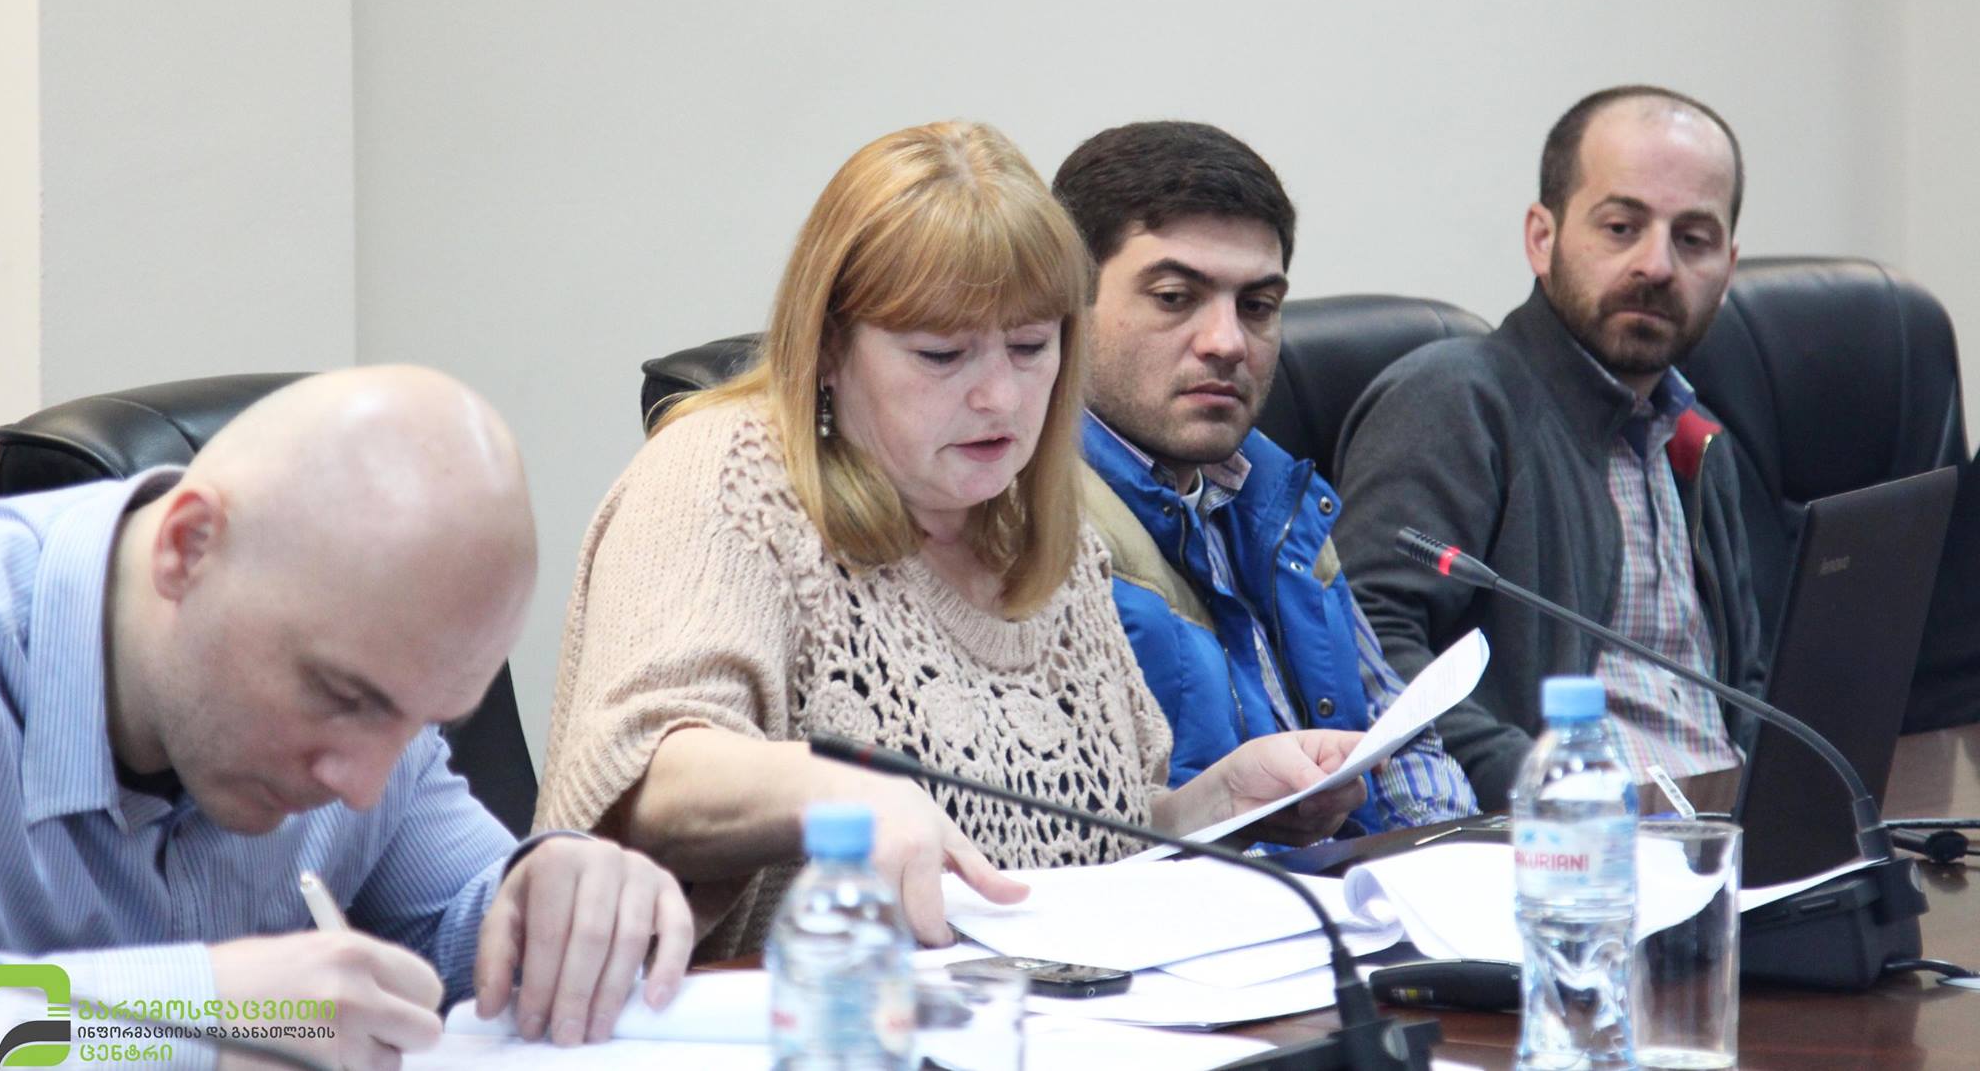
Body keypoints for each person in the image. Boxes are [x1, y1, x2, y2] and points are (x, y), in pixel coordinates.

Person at [536, 120, 1369, 959]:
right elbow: (645, 777)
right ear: (829, 346)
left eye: (1030, 346)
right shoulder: (724, 473)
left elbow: (1082, 841)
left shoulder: (1041, 532)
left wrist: (1217, 807)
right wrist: (838, 793)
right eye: (942, 354)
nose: (1000, 397)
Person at [0, 367, 693, 1067]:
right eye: (341, 696)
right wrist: (192, 1008)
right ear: (189, 546)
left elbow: (459, 927)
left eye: (417, 721)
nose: (361, 787)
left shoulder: (371, 712)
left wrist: (557, 899)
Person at [1333, 86, 1766, 808]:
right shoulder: (1456, 400)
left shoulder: (1698, 440)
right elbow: (1367, 640)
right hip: (1566, 847)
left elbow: (1745, 687)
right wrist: (1547, 788)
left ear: (1728, 268)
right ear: (1542, 237)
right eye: (1621, 227)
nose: (1657, 265)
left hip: (1726, 831)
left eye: (1693, 239)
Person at [1051, 121, 1477, 834]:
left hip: (1355, 893)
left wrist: (1447, 862)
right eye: (1174, 297)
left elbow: (1396, 741)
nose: (1227, 343)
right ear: (1068, 301)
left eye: (1256, 307)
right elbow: (1078, 837)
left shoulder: (1277, 493)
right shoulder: (1029, 523)